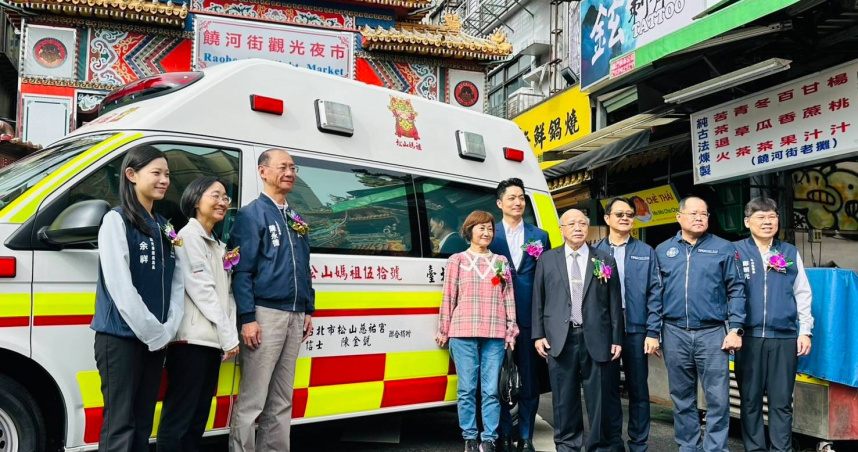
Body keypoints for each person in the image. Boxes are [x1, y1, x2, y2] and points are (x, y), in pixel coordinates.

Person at [90, 145, 184, 452]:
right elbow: (120, 286)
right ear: (131, 174)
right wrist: (155, 331)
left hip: (156, 339)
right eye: (156, 173)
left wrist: (169, 327)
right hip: (121, 337)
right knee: (120, 425)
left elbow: (178, 281)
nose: (164, 180)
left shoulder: (165, 226)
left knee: (143, 423)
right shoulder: (116, 220)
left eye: (167, 174)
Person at [229, 149, 314, 452]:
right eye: (282, 167)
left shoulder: (295, 218)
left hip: (295, 314)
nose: (289, 173)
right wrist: (248, 318)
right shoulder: (251, 214)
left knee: (281, 398)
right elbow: (241, 271)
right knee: (253, 398)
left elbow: (305, 267)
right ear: (263, 172)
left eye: (293, 167)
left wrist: (308, 308)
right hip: (265, 314)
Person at [651, 196, 746, 452]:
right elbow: (655, 294)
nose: (699, 218)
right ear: (678, 217)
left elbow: (737, 290)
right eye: (693, 213)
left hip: (712, 333)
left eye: (703, 214)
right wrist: (654, 332)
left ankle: (715, 448)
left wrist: (735, 329)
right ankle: (688, 446)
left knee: (717, 398)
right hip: (674, 332)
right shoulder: (663, 250)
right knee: (681, 397)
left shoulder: (724, 248)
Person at [157, 177, 240, 451]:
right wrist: (229, 337)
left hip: (211, 342)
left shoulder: (217, 244)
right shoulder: (189, 238)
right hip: (191, 342)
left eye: (225, 197)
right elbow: (203, 290)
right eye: (215, 195)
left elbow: (227, 295)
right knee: (179, 418)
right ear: (195, 200)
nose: (222, 202)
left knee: (197, 420)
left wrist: (228, 336)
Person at [532, 209, 623, 452]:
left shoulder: (604, 259)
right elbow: (538, 299)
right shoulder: (547, 259)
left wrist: (616, 338)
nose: (578, 228)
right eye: (571, 223)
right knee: (563, 397)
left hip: (597, 336)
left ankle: (599, 446)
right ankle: (567, 445)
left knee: (599, 397)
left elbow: (614, 302)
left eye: (582, 223)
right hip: (559, 337)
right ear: (561, 229)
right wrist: (538, 334)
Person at [733, 197, 813, 452]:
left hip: (784, 337)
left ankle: (781, 449)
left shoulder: (788, 252)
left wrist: (805, 331)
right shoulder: (735, 251)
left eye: (772, 217)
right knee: (750, 401)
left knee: (781, 401)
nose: (767, 222)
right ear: (748, 222)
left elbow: (802, 293)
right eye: (761, 217)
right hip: (748, 337)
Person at [436, 210, 519, 452]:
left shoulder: (501, 262)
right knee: (466, 390)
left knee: (491, 390)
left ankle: (489, 438)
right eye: (481, 227)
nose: (486, 232)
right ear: (469, 230)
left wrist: (511, 330)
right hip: (463, 332)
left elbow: (508, 297)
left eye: (490, 228)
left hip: (495, 334)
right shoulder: (457, 260)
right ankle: (470, 438)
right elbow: (448, 297)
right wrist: (444, 329)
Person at [488, 178, 551, 452]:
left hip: (529, 318)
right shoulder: (490, 234)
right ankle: (503, 434)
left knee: (529, 381)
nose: (518, 202)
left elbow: (547, 277)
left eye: (521, 198)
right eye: (512, 198)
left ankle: (525, 436)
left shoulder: (540, 236)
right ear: (500, 203)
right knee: (498, 380)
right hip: (496, 319)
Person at [594, 197, 660, 452]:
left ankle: (638, 443)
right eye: (619, 214)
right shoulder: (595, 252)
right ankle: (613, 443)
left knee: (638, 389)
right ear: (607, 218)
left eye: (629, 215)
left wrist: (653, 331)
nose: (625, 218)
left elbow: (655, 293)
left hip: (637, 328)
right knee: (607, 389)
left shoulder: (646, 251)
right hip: (605, 330)